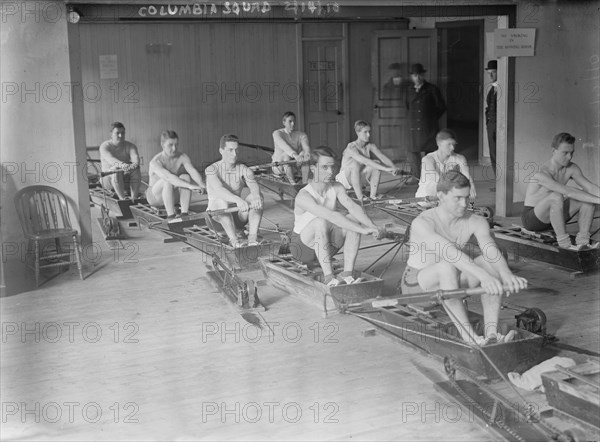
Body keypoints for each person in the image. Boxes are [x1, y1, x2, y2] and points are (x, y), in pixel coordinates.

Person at [400, 170, 527, 345]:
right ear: (441, 196)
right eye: (457, 198)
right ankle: (470, 338)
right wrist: (484, 277)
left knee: (489, 262)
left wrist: (506, 274)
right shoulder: (422, 223)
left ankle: (491, 334)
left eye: (467, 198)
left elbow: (490, 249)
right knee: (448, 266)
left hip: (450, 282)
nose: (464, 204)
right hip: (417, 286)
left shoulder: (476, 220)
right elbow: (449, 253)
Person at [293, 146, 384, 286]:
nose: (330, 172)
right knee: (321, 221)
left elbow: (353, 207)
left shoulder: (337, 187)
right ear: (313, 169)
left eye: (332, 167)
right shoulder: (303, 196)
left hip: (326, 247)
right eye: (324, 167)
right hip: (302, 250)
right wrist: (362, 230)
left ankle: (347, 274)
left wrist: (373, 227)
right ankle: (329, 278)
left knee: (352, 218)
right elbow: (331, 216)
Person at [521, 132, 600, 249]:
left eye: (572, 152)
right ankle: (564, 244)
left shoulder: (572, 168)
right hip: (533, 219)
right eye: (565, 153)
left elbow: (591, 188)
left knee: (587, 198)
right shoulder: (542, 173)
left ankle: (583, 242)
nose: (569, 157)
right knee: (556, 196)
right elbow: (567, 191)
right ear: (554, 151)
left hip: (554, 215)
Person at [205, 134, 264, 248]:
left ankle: (252, 238)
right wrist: (238, 200)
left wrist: (256, 196)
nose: (234, 154)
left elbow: (253, 185)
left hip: (238, 217)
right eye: (230, 150)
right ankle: (235, 241)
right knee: (221, 202)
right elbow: (219, 190)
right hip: (216, 220)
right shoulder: (211, 169)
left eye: (237, 150)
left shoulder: (244, 169)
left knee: (257, 196)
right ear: (221, 151)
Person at [146, 130, 206, 220]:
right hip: (155, 197)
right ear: (162, 145)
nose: (174, 148)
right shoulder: (155, 161)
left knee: (185, 177)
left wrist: (202, 185)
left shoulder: (182, 156)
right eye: (170, 145)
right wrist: (190, 186)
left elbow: (192, 171)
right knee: (167, 181)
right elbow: (168, 177)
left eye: (176, 145)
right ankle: (171, 216)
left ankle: (184, 214)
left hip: (170, 194)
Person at [335, 120, 400, 202]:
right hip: (344, 180)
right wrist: (386, 169)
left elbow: (382, 157)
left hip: (358, 177)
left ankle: (373, 196)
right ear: (357, 132)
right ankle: (360, 198)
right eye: (365, 132)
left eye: (369, 132)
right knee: (355, 164)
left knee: (376, 163)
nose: (368, 135)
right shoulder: (351, 147)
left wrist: (393, 168)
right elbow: (366, 161)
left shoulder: (370, 146)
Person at [406, 63, 446, 184]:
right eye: (414, 75)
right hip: (413, 127)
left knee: (430, 152)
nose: (417, 78)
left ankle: (430, 176)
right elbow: (407, 106)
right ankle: (416, 176)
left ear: (423, 75)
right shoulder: (409, 90)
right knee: (413, 152)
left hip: (428, 126)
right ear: (411, 77)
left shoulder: (432, 89)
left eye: (419, 75)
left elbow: (441, 107)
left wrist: (430, 118)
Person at [416, 129, 476, 201]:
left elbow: (467, 175)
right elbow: (438, 181)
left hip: (447, 196)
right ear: (439, 143)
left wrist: (471, 185)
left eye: (454, 144)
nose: (452, 148)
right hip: (426, 198)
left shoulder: (460, 158)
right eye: (449, 144)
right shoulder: (428, 159)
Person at [99, 122, 142, 200]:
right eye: (117, 133)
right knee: (116, 170)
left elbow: (135, 158)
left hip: (124, 180)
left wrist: (134, 165)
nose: (120, 136)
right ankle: (122, 199)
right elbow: (111, 159)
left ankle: (134, 198)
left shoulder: (131, 146)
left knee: (136, 169)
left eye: (123, 133)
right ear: (111, 134)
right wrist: (123, 165)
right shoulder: (104, 146)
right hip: (107, 180)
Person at [272, 111, 311, 184]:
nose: (293, 124)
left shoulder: (301, 135)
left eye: (294, 121)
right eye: (290, 121)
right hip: (278, 166)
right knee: (286, 155)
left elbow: (306, 147)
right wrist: (295, 156)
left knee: (305, 154)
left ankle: (304, 183)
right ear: (284, 122)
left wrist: (305, 154)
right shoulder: (277, 133)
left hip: (294, 165)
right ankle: (292, 183)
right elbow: (285, 147)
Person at [485, 60, 498, 179]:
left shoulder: (502, 88)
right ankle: (497, 180)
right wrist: (488, 123)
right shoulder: (491, 90)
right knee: (493, 154)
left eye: (493, 72)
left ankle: (502, 181)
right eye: (489, 73)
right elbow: (488, 108)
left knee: (500, 155)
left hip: (499, 127)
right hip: (491, 126)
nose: (491, 76)